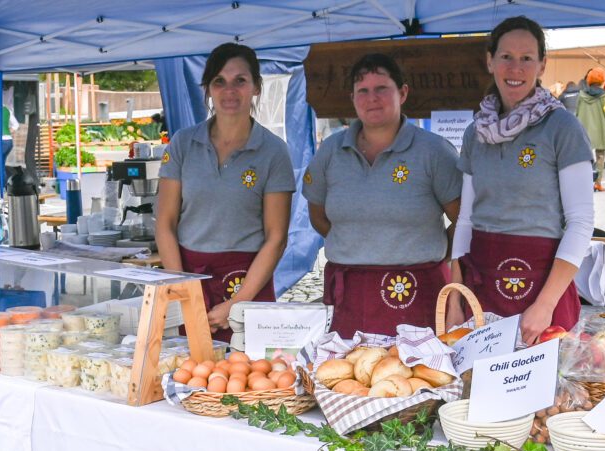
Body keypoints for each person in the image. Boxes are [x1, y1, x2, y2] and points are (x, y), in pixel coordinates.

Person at [447, 16, 595, 345]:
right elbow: (466, 218)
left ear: (542, 65)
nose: (516, 68)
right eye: (506, 57)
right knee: (477, 389)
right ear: (490, 61)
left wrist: (545, 304)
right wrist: (456, 294)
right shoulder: (475, 132)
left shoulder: (562, 128)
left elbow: (581, 222)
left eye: (527, 58)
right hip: (481, 288)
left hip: (541, 287)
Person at [304, 53, 462, 338]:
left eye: (381, 89)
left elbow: (464, 221)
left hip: (418, 292)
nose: (371, 98)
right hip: (350, 293)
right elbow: (318, 216)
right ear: (352, 97)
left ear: (402, 92)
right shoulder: (330, 151)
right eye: (362, 90)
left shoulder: (434, 152)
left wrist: (428, 250)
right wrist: (360, 243)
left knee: (416, 379)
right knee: (347, 378)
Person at [157, 43, 295, 342]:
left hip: (249, 283)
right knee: (192, 375)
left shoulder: (273, 152)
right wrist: (183, 289)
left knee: (251, 379)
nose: (229, 90)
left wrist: (237, 303)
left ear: (256, 87)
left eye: (240, 81)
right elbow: (165, 225)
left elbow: (276, 237)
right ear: (207, 89)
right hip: (189, 279)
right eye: (219, 81)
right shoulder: (183, 144)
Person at [576, 67, 605, 192]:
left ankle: (584, 182)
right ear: (601, 80)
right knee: (600, 156)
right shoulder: (604, 96)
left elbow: (577, 112)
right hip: (600, 130)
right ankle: (597, 183)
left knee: (585, 157)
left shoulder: (581, 95)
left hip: (583, 129)